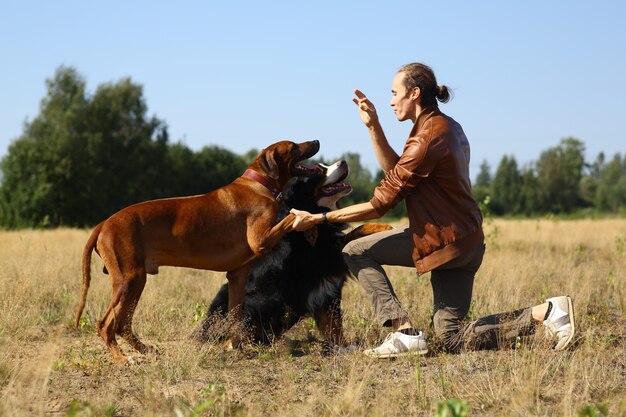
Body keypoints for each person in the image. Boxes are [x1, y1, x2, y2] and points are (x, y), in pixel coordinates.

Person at [290, 62, 575, 358]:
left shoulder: (425, 140)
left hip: (443, 241)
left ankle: (402, 331)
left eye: (394, 93)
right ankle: (548, 312)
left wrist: (318, 217)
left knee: (354, 250)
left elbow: (380, 205)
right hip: (465, 242)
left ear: (413, 93)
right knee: (451, 338)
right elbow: (397, 173)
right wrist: (374, 126)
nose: (390, 101)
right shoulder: (445, 127)